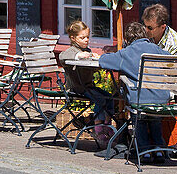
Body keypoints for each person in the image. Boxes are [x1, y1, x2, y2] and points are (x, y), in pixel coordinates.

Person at [98, 21, 170, 158]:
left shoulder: (125, 53)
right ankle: (159, 149)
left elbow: (103, 61)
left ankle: (144, 151)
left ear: (127, 39)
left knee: (140, 115)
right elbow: (172, 59)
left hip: (140, 99)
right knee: (154, 117)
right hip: (161, 97)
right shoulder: (156, 49)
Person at [58, 19, 113, 146]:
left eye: (87, 37)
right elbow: (62, 57)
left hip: (88, 86)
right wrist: (78, 56)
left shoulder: (87, 51)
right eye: (82, 37)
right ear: (73, 38)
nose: (86, 40)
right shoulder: (72, 51)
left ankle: (107, 123)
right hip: (77, 88)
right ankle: (97, 128)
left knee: (109, 97)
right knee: (100, 99)